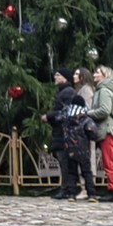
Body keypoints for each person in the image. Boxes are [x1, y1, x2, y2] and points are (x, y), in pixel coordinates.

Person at [44, 89, 97, 202]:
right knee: (87, 172)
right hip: (84, 150)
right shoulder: (85, 118)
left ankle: (72, 194)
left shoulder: (66, 116)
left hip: (69, 148)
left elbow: (57, 118)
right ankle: (91, 194)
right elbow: (92, 131)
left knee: (72, 172)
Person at [92, 64, 113, 203]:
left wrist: (88, 113)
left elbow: (104, 110)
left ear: (105, 76)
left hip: (108, 131)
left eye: (97, 72)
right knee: (111, 162)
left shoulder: (104, 91)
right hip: (110, 131)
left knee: (110, 163)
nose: (94, 74)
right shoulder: (105, 90)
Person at [44, 68, 77, 200]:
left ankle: (66, 189)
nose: (55, 77)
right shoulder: (63, 91)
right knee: (63, 161)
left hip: (64, 132)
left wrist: (49, 116)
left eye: (58, 75)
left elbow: (66, 112)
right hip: (61, 131)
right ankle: (66, 187)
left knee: (65, 161)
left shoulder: (68, 92)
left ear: (65, 77)